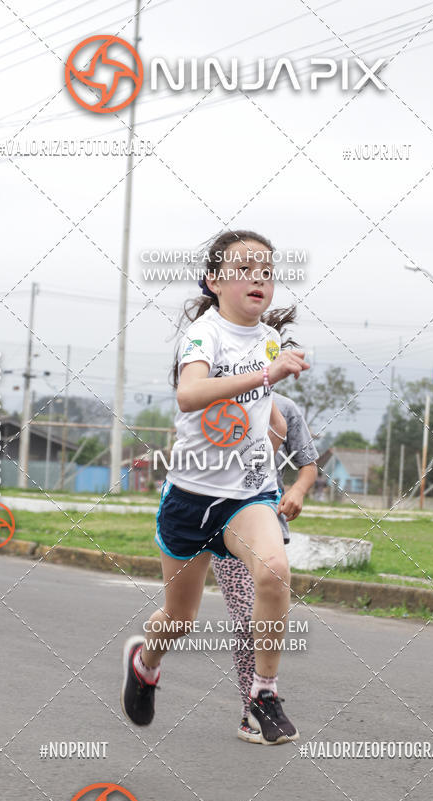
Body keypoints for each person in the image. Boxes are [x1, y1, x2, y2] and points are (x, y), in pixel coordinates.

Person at [121, 228, 310, 744]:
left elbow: (264, 415)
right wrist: (265, 374)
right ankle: (145, 661)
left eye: (268, 272)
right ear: (214, 280)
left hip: (246, 498)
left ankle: (263, 694)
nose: (259, 280)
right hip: (190, 498)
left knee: (274, 570)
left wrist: (272, 446)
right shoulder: (205, 334)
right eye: (246, 269)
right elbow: (189, 394)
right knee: (179, 619)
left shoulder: (269, 340)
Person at [211, 390, 318, 743]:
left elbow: (308, 464)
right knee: (245, 620)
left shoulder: (286, 406)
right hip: (224, 526)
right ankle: (252, 711)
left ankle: (261, 701)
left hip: (268, 527)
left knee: (262, 619)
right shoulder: (218, 400)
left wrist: (298, 491)